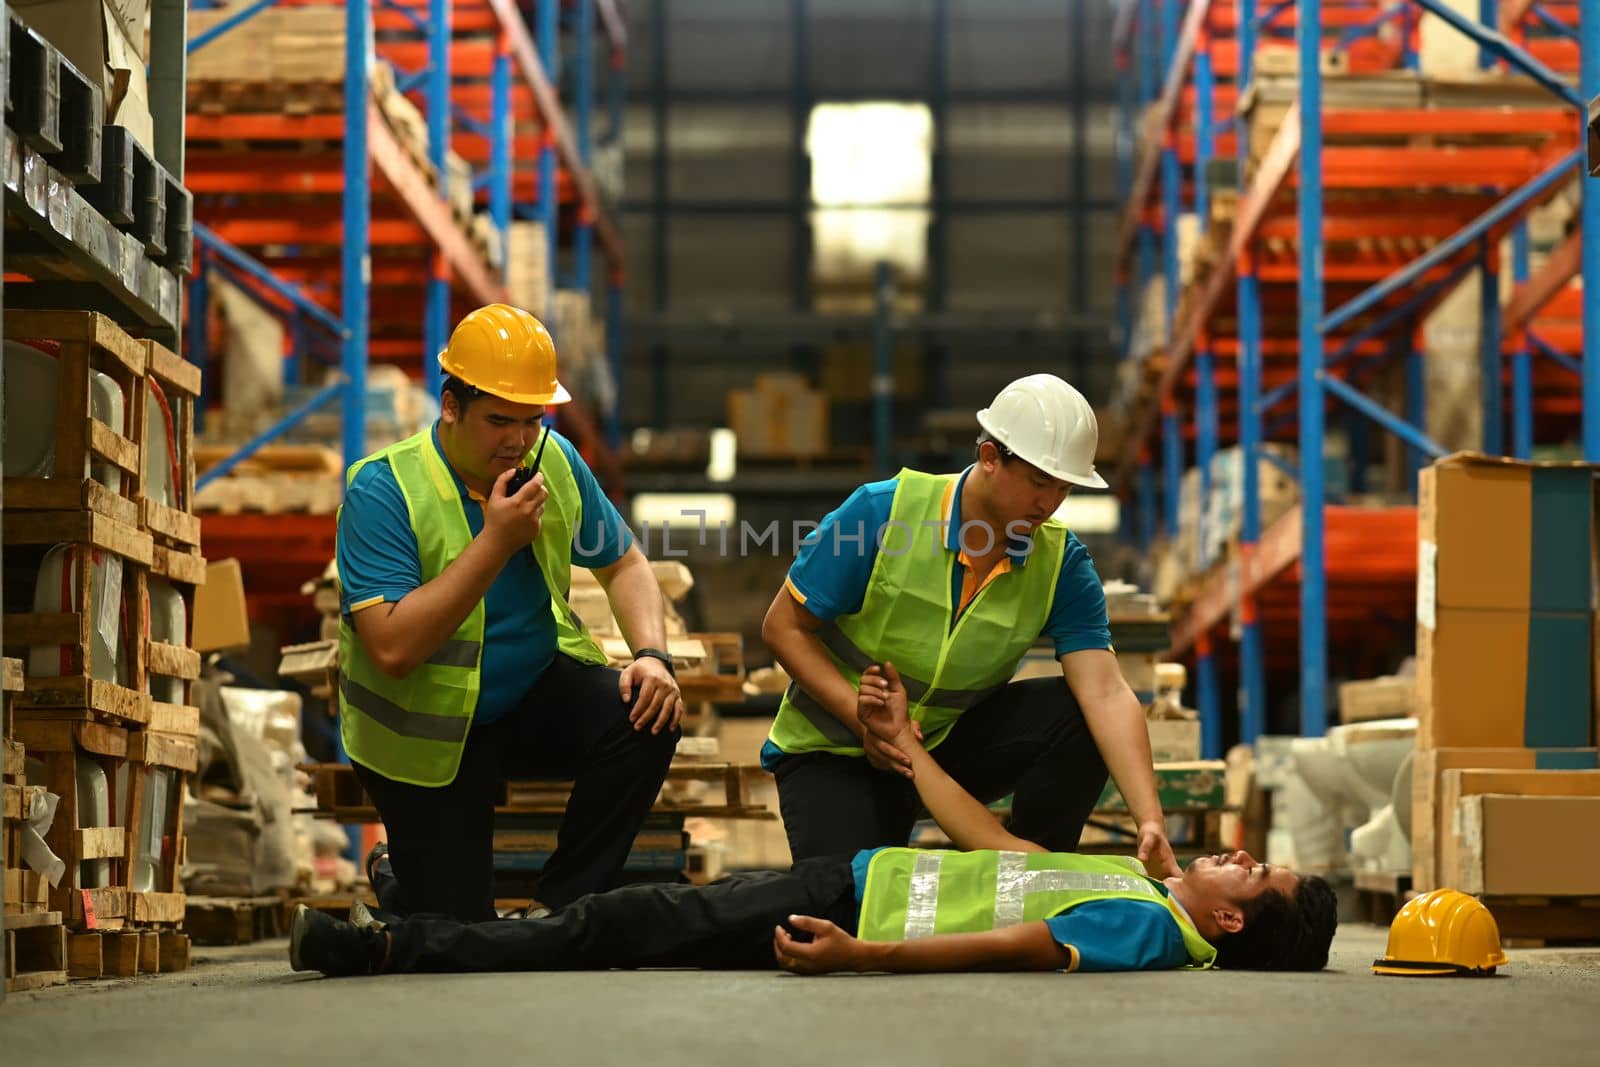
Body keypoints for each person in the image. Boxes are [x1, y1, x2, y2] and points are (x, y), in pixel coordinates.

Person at [289, 663, 1338, 977]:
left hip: (850, 901)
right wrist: (914, 752)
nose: (1239, 852)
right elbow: (1006, 852)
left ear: (1234, 923)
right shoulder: (1144, 893)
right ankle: (411, 921)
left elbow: (1021, 943)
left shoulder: (1157, 931)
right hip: (859, 883)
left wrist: (863, 956)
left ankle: (388, 942)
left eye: (1254, 875)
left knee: (618, 924)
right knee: (631, 927)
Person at [335, 303, 683, 922]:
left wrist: (653, 657)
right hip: (428, 734)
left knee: (645, 716)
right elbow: (392, 650)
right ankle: (399, 875)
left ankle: (561, 907)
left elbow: (626, 564)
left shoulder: (554, 461)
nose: (518, 440)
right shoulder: (382, 490)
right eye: (499, 420)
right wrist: (495, 540)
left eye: (531, 420)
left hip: (527, 696)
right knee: (459, 931)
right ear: (450, 407)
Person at [759, 373, 1183, 877]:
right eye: (1039, 481)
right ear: (989, 458)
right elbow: (783, 627)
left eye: (1064, 488)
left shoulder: (1062, 563)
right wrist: (862, 719)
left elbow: (1108, 695)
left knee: (1077, 713)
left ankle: (1036, 886)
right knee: (845, 905)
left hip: (945, 747)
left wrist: (1149, 819)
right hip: (835, 749)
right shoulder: (880, 513)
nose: (1049, 504)